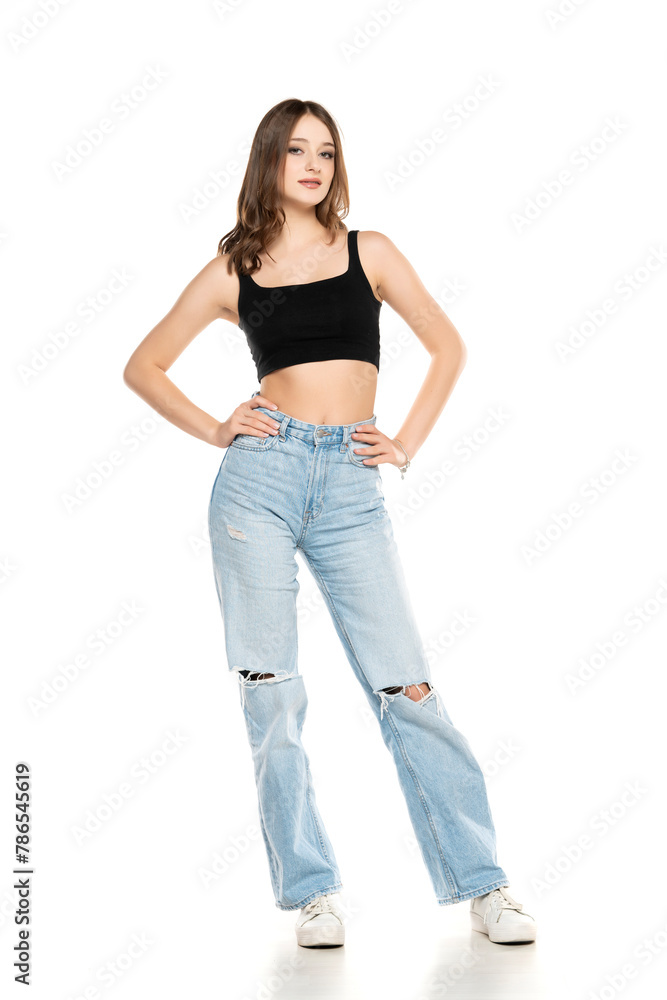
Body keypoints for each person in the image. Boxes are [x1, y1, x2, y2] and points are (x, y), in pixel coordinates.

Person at [123, 98, 537, 949]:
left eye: (326, 151)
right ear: (268, 160)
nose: (313, 164)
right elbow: (143, 365)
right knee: (272, 693)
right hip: (258, 483)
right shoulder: (230, 270)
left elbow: (446, 344)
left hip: (351, 482)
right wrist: (215, 428)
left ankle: (483, 884)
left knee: (406, 684)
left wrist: (406, 443)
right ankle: (312, 891)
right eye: (296, 150)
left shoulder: (368, 251)